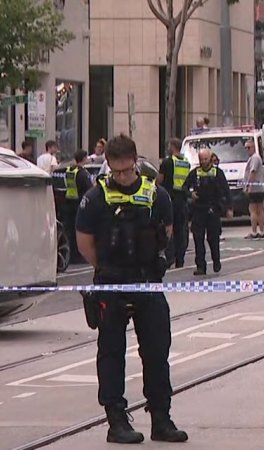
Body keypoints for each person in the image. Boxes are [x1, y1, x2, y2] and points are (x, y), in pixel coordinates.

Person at [75, 134, 188, 444]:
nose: (122, 177)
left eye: (127, 170)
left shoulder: (156, 196)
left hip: (147, 283)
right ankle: (116, 420)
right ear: (109, 166)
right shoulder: (96, 197)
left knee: (157, 351)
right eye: (117, 171)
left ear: (136, 163)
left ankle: (161, 418)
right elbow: (84, 241)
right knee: (111, 353)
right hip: (111, 284)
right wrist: (108, 269)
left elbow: (166, 232)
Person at [183, 148, 232, 275]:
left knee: (213, 238)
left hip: (213, 209)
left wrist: (228, 208)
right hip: (199, 209)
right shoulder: (195, 173)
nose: (203, 162)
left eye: (205, 159)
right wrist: (190, 194)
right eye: (201, 159)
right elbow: (184, 187)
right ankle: (200, 266)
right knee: (198, 239)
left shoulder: (217, 173)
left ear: (210, 159)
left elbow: (226, 191)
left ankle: (216, 261)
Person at [157, 138, 191, 268]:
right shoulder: (186, 163)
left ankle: (169, 257)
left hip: (169, 198)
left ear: (172, 147)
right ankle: (180, 259)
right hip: (181, 199)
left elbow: (159, 180)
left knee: (168, 228)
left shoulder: (167, 162)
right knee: (180, 230)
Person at [62, 150, 93, 262]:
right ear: (84, 158)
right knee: (78, 230)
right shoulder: (83, 173)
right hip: (78, 204)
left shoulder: (70, 170)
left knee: (70, 231)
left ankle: (71, 255)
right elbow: (89, 188)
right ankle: (78, 256)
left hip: (68, 202)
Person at [243, 140, 264, 239]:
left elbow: (253, 172)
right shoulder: (254, 158)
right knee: (259, 209)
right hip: (259, 187)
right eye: (246, 148)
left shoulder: (255, 158)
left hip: (255, 188)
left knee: (253, 209)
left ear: (253, 147)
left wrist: (249, 186)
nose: (247, 150)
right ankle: (261, 231)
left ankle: (254, 231)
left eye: (248, 147)